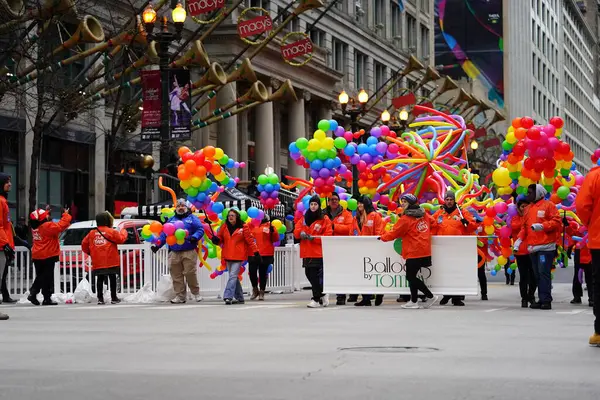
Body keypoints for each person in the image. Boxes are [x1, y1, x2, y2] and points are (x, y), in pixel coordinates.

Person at [378, 194, 438, 309]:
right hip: (424, 250)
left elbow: (395, 233)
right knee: (412, 276)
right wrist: (427, 235)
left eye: (405, 202)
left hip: (413, 251)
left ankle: (430, 296)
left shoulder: (405, 219)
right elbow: (434, 223)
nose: (402, 204)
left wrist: (382, 237)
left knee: (410, 277)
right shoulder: (424, 214)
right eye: (402, 201)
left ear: (411, 203)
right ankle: (414, 301)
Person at [515, 184, 561, 310]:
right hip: (532, 247)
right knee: (536, 275)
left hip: (545, 247)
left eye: (530, 192)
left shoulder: (549, 205)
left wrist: (543, 226)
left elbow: (557, 221)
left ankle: (546, 300)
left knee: (543, 273)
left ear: (538, 193)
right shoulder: (528, 209)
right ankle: (541, 299)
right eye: (528, 192)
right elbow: (524, 227)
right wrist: (519, 239)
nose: (528, 195)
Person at [153, 199, 204, 304]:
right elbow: (164, 234)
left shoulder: (192, 218)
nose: (180, 207)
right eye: (178, 206)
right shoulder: (171, 220)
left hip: (189, 250)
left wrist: (195, 237)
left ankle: (196, 293)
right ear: (175, 208)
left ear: (186, 207)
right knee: (176, 275)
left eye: (183, 206)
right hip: (174, 251)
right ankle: (180, 296)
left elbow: (200, 229)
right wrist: (157, 245)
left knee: (190, 273)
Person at [432, 191, 478, 306]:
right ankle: (446, 295)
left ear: (454, 200)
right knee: (445, 272)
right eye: (447, 199)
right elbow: (432, 224)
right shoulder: (439, 213)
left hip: (458, 248)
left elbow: (472, 226)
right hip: (443, 249)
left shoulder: (462, 212)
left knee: (457, 272)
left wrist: (466, 222)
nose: (449, 201)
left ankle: (457, 297)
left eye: (451, 199)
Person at [212, 208, 259, 305]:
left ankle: (228, 296)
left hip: (238, 255)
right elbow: (220, 238)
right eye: (229, 215)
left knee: (233, 276)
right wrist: (216, 240)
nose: (230, 217)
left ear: (237, 216)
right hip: (227, 254)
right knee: (234, 277)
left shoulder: (243, 227)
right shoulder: (224, 226)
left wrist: (256, 252)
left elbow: (250, 240)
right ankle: (240, 297)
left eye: (232, 215)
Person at [294, 195, 333, 308]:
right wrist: (300, 233)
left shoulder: (324, 219)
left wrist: (314, 238)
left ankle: (316, 299)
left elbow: (328, 235)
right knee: (308, 274)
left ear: (319, 206)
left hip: (317, 252)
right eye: (311, 204)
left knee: (313, 275)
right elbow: (296, 231)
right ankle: (322, 293)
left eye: (315, 204)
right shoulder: (304, 218)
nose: (313, 206)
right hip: (306, 251)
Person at [27, 207, 72, 306]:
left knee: (41, 276)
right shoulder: (47, 226)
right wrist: (66, 214)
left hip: (37, 254)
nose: (48, 216)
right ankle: (35, 293)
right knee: (46, 277)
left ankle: (43, 297)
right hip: (48, 254)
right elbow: (61, 225)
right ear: (43, 218)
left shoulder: (35, 227)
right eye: (46, 215)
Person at [575, 168, 600, 345]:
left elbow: (582, 206)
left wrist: (590, 223)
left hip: (599, 238)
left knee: (599, 283)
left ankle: (599, 331)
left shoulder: (594, 176)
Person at [81, 212, 127, 305]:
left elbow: (84, 244)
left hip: (98, 261)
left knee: (100, 279)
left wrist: (90, 253)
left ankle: (100, 299)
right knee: (112, 278)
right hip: (111, 260)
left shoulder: (92, 233)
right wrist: (123, 231)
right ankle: (114, 298)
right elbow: (121, 239)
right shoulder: (112, 231)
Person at [353, 195, 386, 307]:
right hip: (360, 250)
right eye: (358, 203)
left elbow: (379, 232)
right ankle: (366, 298)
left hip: (372, 250)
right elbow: (352, 232)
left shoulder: (375, 216)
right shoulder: (356, 218)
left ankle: (380, 293)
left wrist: (375, 245)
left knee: (375, 273)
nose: (359, 205)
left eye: (361, 203)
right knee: (363, 274)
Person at [323, 192, 355, 305]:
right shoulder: (323, 214)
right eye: (331, 199)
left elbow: (349, 228)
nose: (334, 201)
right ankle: (322, 295)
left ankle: (341, 296)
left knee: (340, 272)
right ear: (328, 201)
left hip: (341, 247)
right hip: (326, 247)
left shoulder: (346, 214)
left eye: (336, 199)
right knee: (325, 272)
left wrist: (334, 226)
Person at [511, 199, 537, 308]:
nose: (525, 209)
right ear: (518, 208)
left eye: (527, 206)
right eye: (522, 207)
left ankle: (531, 295)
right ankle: (524, 298)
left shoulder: (533, 218)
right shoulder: (515, 219)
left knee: (534, 276)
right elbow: (515, 227)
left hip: (532, 250)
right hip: (520, 252)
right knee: (523, 277)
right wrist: (525, 220)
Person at [248, 214, 279, 301]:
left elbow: (275, 239)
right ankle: (255, 289)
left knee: (262, 273)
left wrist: (273, 232)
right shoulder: (251, 224)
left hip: (265, 252)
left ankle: (262, 291)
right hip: (253, 252)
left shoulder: (269, 226)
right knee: (252, 272)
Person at [0, 172, 13, 319]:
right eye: (7, 181)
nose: (10, 184)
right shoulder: (1, 201)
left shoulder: (3, 201)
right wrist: (5, 244)